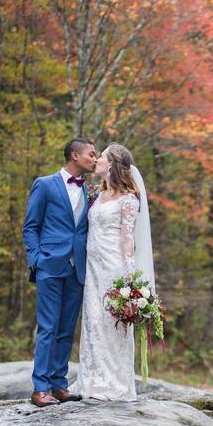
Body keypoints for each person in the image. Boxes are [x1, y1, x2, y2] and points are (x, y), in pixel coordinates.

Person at [69, 142, 155, 401]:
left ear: (113, 165)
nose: (96, 161)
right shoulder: (98, 194)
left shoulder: (129, 198)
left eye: (102, 157)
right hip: (92, 267)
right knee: (93, 321)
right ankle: (91, 379)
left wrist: (130, 278)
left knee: (112, 323)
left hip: (113, 267)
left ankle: (115, 383)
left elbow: (128, 240)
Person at [21, 138, 97, 407]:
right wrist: (37, 260)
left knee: (66, 329)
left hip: (78, 268)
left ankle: (58, 384)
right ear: (74, 156)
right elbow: (30, 226)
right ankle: (40, 388)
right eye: (91, 154)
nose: (94, 159)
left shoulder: (89, 191)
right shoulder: (44, 184)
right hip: (50, 266)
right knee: (48, 327)